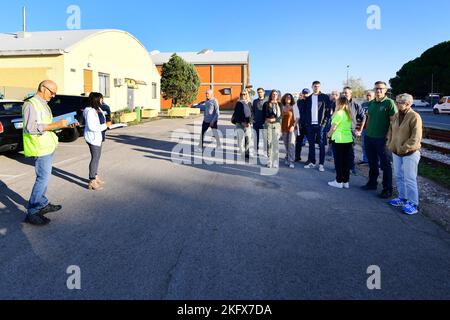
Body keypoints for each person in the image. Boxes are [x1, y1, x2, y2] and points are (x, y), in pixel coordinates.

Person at [22, 80, 72, 226]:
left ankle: (42, 204)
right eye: (52, 92)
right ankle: (32, 211)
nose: (54, 95)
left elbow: (47, 126)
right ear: (43, 88)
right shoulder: (31, 104)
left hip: (47, 146)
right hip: (39, 147)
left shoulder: (43, 104)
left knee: (45, 178)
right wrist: (56, 124)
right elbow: (30, 128)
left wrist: (63, 125)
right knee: (42, 178)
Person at [387, 94, 423, 215]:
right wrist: (391, 144)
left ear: (408, 104)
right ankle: (403, 198)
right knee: (399, 176)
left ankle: (414, 203)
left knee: (410, 178)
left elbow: (416, 138)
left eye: (400, 102)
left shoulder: (414, 116)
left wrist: (403, 148)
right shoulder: (397, 115)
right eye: (397, 102)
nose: (397, 104)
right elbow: (392, 130)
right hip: (396, 152)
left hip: (410, 153)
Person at [362, 81, 398, 199]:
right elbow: (369, 118)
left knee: (385, 164)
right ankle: (372, 183)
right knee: (372, 162)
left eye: (381, 89)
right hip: (369, 137)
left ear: (385, 90)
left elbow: (393, 122)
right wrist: (366, 131)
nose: (378, 91)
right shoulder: (371, 103)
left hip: (382, 139)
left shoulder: (389, 103)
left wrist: (388, 137)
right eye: (377, 88)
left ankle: (387, 189)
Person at [301, 81, 331, 172]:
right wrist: (307, 123)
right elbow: (305, 112)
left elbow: (328, 111)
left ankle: (321, 164)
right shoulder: (309, 98)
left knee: (321, 145)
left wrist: (324, 122)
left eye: (318, 86)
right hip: (310, 125)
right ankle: (312, 162)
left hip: (320, 125)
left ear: (320, 87)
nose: (316, 88)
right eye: (314, 86)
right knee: (311, 145)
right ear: (312, 87)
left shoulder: (325, 97)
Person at [327, 97, 354, 189]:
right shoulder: (348, 113)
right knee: (346, 162)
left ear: (339, 103)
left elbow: (333, 127)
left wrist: (328, 135)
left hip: (339, 140)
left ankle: (338, 181)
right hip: (348, 140)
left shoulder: (339, 113)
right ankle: (345, 181)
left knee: (339, 161)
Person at [84, 92, 108, 191]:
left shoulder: (98, 109)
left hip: (99, 136)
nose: (102, 100)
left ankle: (96, 176)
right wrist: (105, 125)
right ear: (96, 99)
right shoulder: (89, 111)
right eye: (101, 99)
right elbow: (92, 127)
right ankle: (92, 180)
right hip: (93, 138)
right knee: (95, 158)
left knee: (97, 158)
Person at [342, 87, 366, 175]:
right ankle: (341, 167)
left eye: (346, 93)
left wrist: (359, 129)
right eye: (343, 93)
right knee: (341, 150)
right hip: (340, 131)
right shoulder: (340, 103)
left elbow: (363, 117)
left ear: (350, 93)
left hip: (351, 131)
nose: (344, 94)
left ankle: (351, 168)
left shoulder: (356, 104)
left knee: (350, 150)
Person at [263, 90, 282, 168]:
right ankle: (269, 161)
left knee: (275, 143)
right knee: (268, 143)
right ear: (271, 95)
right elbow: (263, 114)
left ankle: (275, 161)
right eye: (273, 94)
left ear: (278, 96)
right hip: (268, 125)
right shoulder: (266, 104)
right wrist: (266, 120)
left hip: (276, 125)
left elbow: (281, 116)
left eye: (276, 94)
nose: (274, 95)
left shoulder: (280, 104)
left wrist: (275, 120)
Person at [233, 91, 253, 159]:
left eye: (244, 94)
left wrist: (250, 123)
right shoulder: (238, 103)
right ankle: (242, 152)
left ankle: (247, 152)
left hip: (248, 124)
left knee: (248, 139)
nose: (243, 95)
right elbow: (236, 115)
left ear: (247, 95)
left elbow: (252, 114)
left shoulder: (250, 103)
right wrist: (242, 123)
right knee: (240, 140)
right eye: (241, 94)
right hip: (240, 123)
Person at [281, 93, 297, 168]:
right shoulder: (282, 107)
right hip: (284, 128)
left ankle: (291, 161)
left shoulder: (294, 106)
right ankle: (287, 157)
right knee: (286, 144)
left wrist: (293, 126)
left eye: (290, 97)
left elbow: (298, 118)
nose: (288, 98)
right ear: (284, 98)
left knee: (291, 144)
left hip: (292, 128)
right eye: (287, 97)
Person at [359, 91, 375, 165]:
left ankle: (374, 161)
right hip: (364, 128)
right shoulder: (363, 104)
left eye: (370, 95)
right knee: (363, 144)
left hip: (373, 128)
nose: (368, 97)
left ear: (373, 96)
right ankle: (365, 160)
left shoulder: (375, 104)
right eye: (367, 95)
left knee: (373, 146)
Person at [295, 89, 310, 162]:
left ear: (308, 93)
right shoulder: (299, 102)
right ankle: (297, 156)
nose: (305, 95)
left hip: (308, 125)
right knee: (298, 142)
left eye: (306, 93)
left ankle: (309, 159)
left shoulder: (311, 101)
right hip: (300, 125)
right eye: (304, 93)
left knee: (310, 143)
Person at [326, 90, 340, 161]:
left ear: (338, 95)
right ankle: (329, 151)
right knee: (329, 137)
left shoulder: (339, 103)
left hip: (336, 122)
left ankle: (332, 154)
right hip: (329, 121)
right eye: (332, 94)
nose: (333, 96)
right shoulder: (330, 102)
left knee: (334, 138)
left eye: (335, 94)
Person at [252, 88, 267, 154]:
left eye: (261, 92)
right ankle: (255, 150)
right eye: (258, 92)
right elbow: (253, 111)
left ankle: (265, 151)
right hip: (256, 122)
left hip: (264, 122)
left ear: (263, 92)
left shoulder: (267, 101)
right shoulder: (255, 101)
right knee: (256, 137)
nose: (259, 93)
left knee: (265, 138)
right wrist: (252, 118)